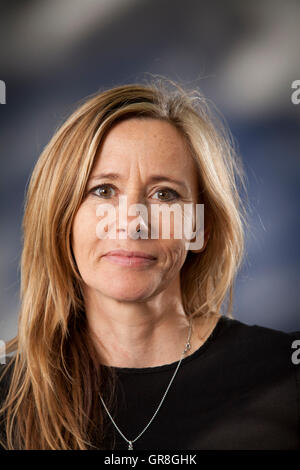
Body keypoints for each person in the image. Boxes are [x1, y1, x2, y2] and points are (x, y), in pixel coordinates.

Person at [0, 78, 299, 450]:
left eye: (164, 194)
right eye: (103, 190)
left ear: (200, 227)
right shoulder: (6, 400)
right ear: (61, 218)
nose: (134, 221)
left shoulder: (283, 375)